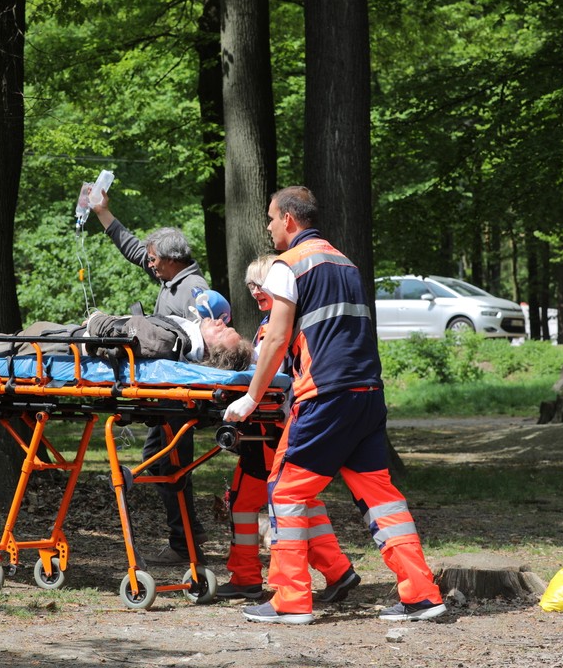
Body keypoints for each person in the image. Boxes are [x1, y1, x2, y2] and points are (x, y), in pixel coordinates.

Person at [223, 186, 446, 625]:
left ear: (289, 219)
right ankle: (422, 594)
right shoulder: (345, 262)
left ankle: (290, 600)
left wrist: (251, 398)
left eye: (271, 218)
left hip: (324, 395)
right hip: (368, 393)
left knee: (285, 491)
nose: (268, 227)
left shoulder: (288, 265)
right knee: (381, 498)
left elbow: (277, 337)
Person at [217, 255, 360, 605]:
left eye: (261, 284)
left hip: (272, 429)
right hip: (274, 427)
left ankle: (256, 579)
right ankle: (334, 571)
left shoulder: (277, 328)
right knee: (292, 501)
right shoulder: (277, 323)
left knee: (280, 502)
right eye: (250, 285)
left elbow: (272, 373)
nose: (255, 291)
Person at [91, 191, 211, 564]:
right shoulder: (170, 277)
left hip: (180, 395)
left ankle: (185, 544)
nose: (150, 263)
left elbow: (207, 343)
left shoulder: (194, 290)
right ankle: (187, 535)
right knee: (159, 462)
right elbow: (133, 250)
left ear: (172, 259)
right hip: (165, 394)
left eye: (155, 258)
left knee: (170, 465)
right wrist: (102, 212)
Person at [0, 294, 254, 372]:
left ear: (213, 352)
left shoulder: (170, 340)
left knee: (5, 348)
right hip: (72, 342)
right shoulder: (179, 338)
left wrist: (97, 319)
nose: (221, 323)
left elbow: (117, 333)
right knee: (8, 340)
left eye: (224, 332)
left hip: (70, 350)